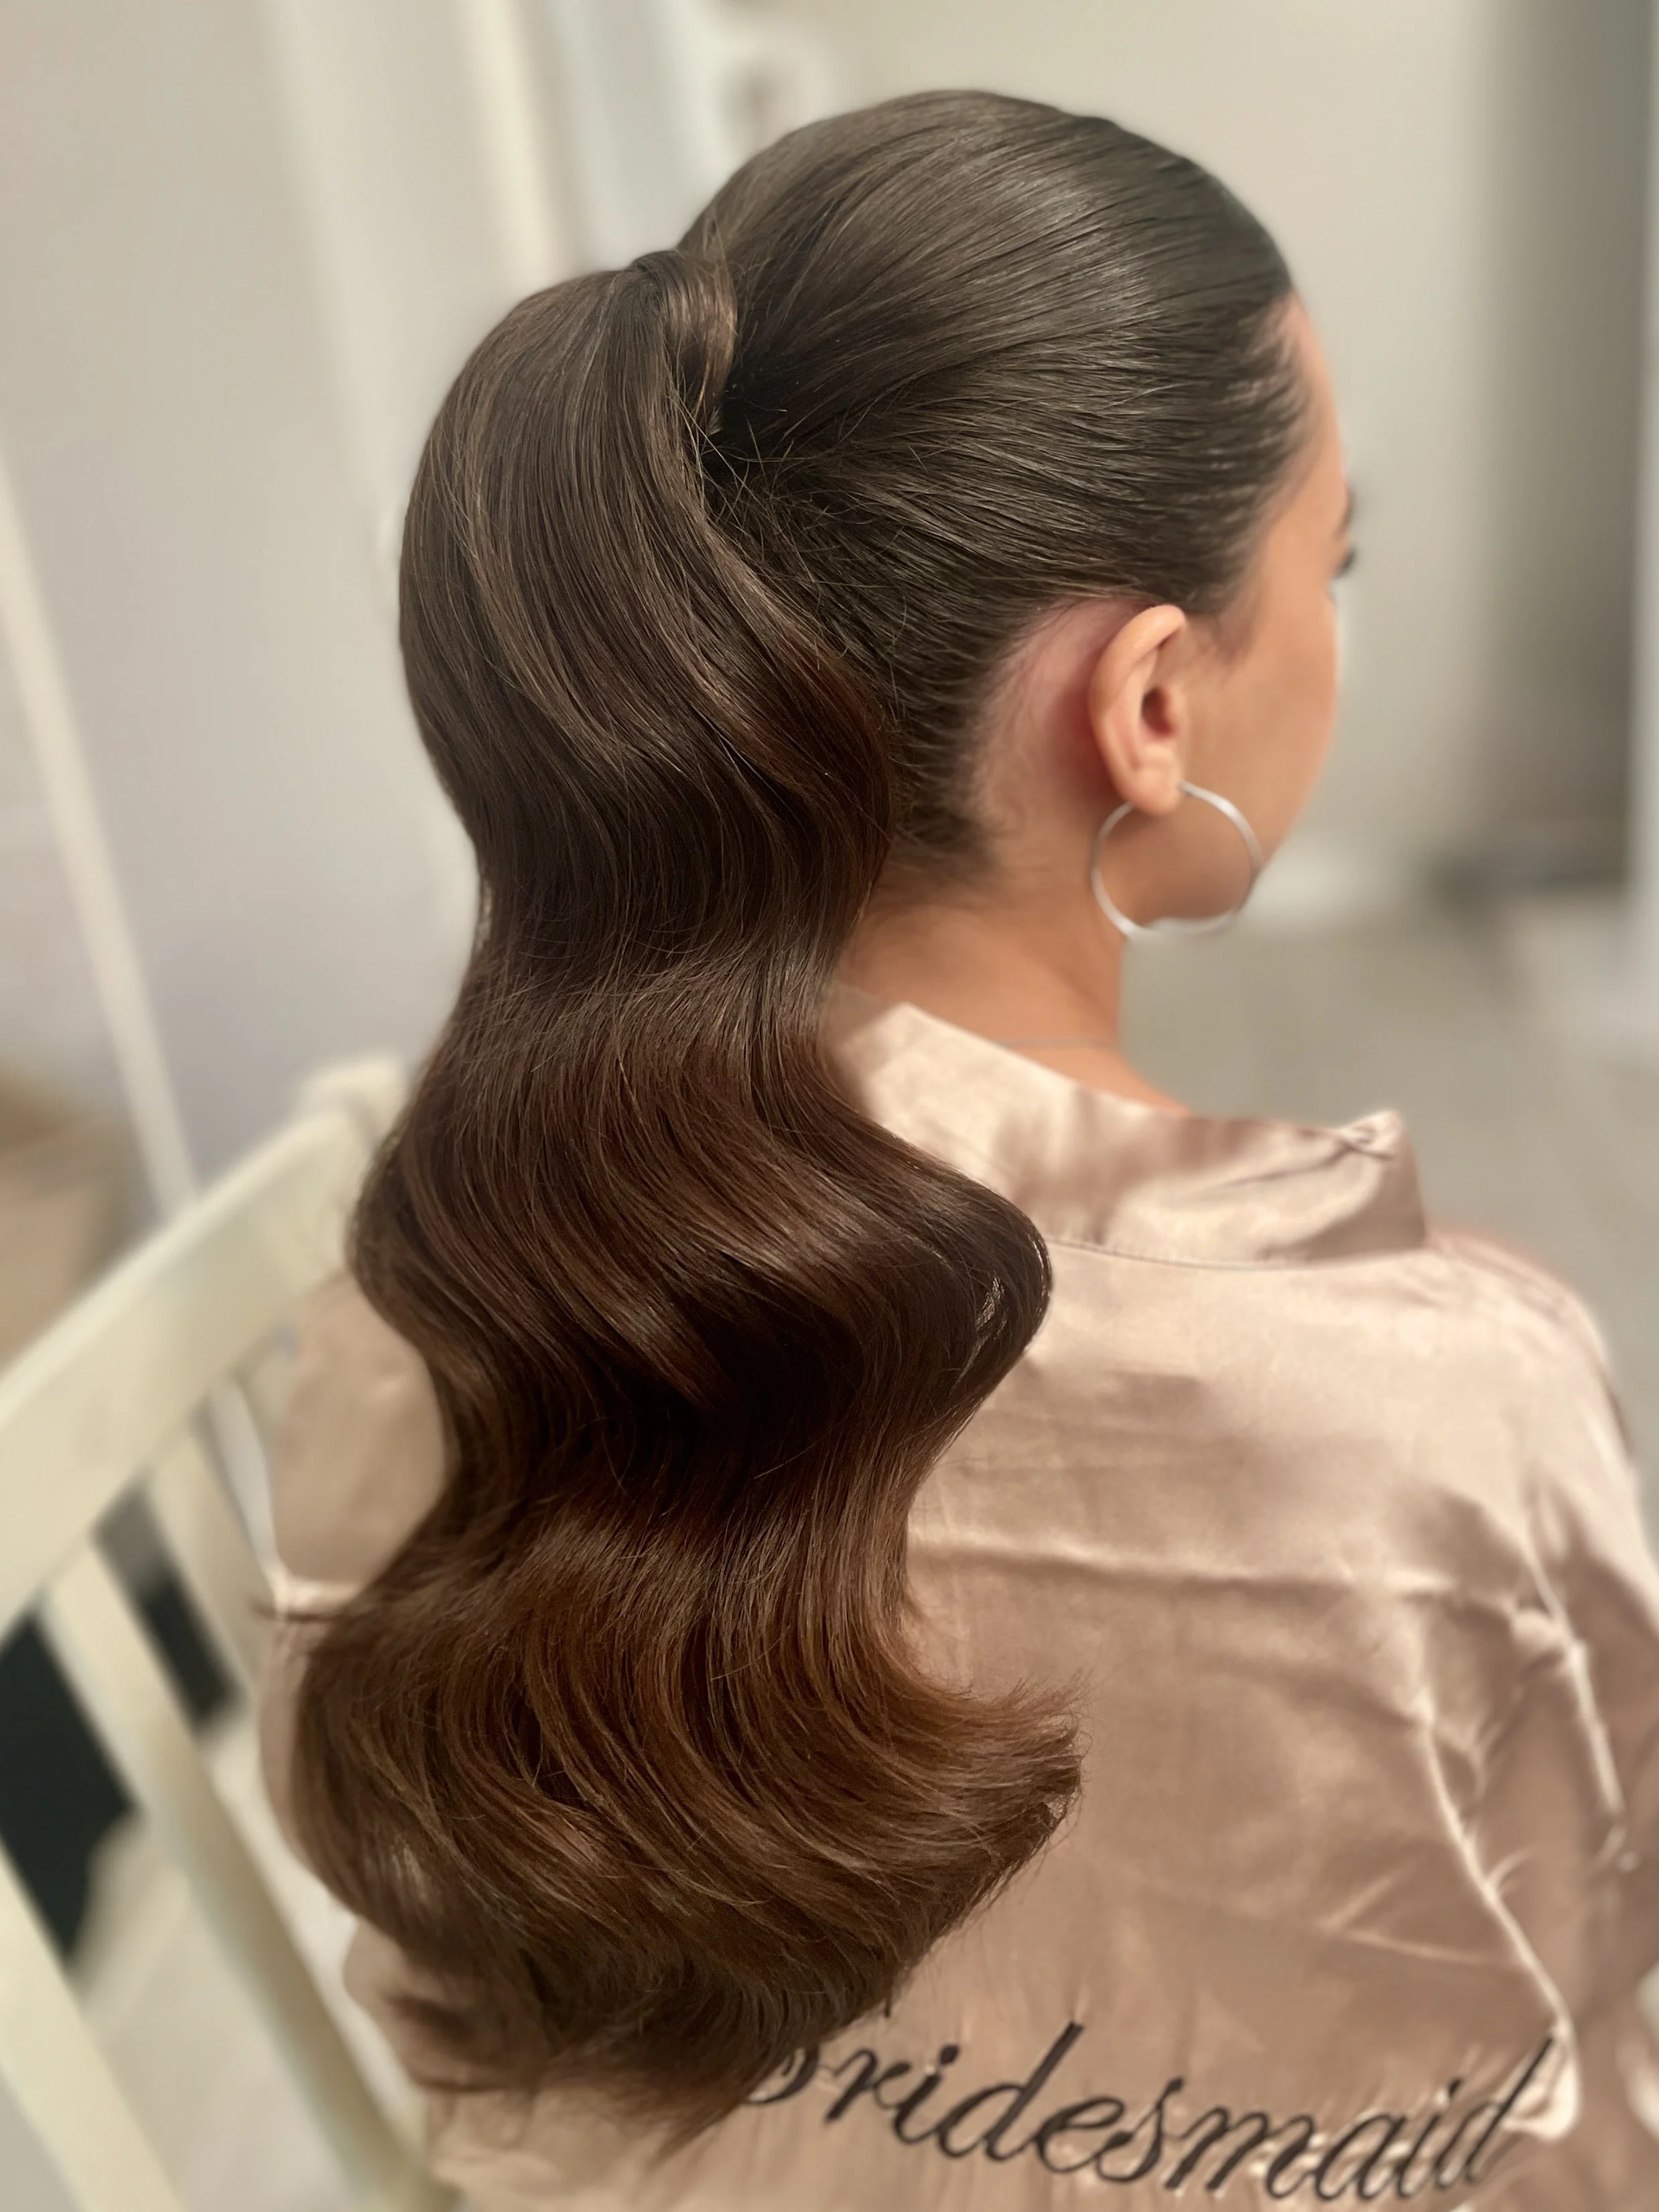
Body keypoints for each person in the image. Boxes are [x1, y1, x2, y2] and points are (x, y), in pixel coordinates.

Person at [259, 90, 1659, 2207]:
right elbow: (1575, 2109)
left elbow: (455, 2036)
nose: (1342, 632)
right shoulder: (1437, 1397)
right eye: (1331, 563)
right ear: (1152, 707)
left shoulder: (422, 1277)